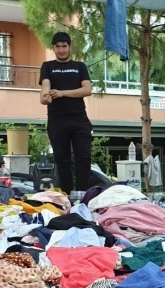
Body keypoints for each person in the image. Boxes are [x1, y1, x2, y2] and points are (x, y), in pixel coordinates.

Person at [39, 32, 93, 194]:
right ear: (53, 48)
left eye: (64, 46)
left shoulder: (80, 66)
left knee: (83, 158)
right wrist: (46, 96)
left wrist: (62, 93)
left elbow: (87, 89)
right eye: (58, 47)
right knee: (62, 160)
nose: (61, 50)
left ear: (70, 47)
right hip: (57, 120)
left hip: (79, 120)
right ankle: (66, 195)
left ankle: (83, 195)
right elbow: (45, 90)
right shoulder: (47, 66)